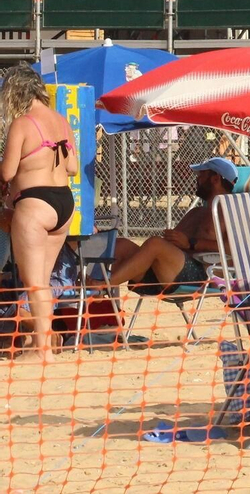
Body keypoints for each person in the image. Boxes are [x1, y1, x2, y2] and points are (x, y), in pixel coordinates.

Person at [0, 66, 78, 360]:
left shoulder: (22, 123)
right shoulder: (61, 120)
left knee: (34, 283)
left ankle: (43, 351)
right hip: (63, 203)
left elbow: (7, 171)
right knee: (42, 282)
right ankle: (40, 345)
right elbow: (71, 167)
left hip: (34, 203)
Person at [102, 157, 233, 293]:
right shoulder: (196, 212)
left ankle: (102, 286)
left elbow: (234, 247)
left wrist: (192, 243)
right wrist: (174, 238)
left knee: (155, 244)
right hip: (169, 271)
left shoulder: (231, 212)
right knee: (121, 245)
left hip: (202, 275)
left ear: (215, 179)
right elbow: (174, 243)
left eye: (201, 175)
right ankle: (102, 298)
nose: (197, 180)